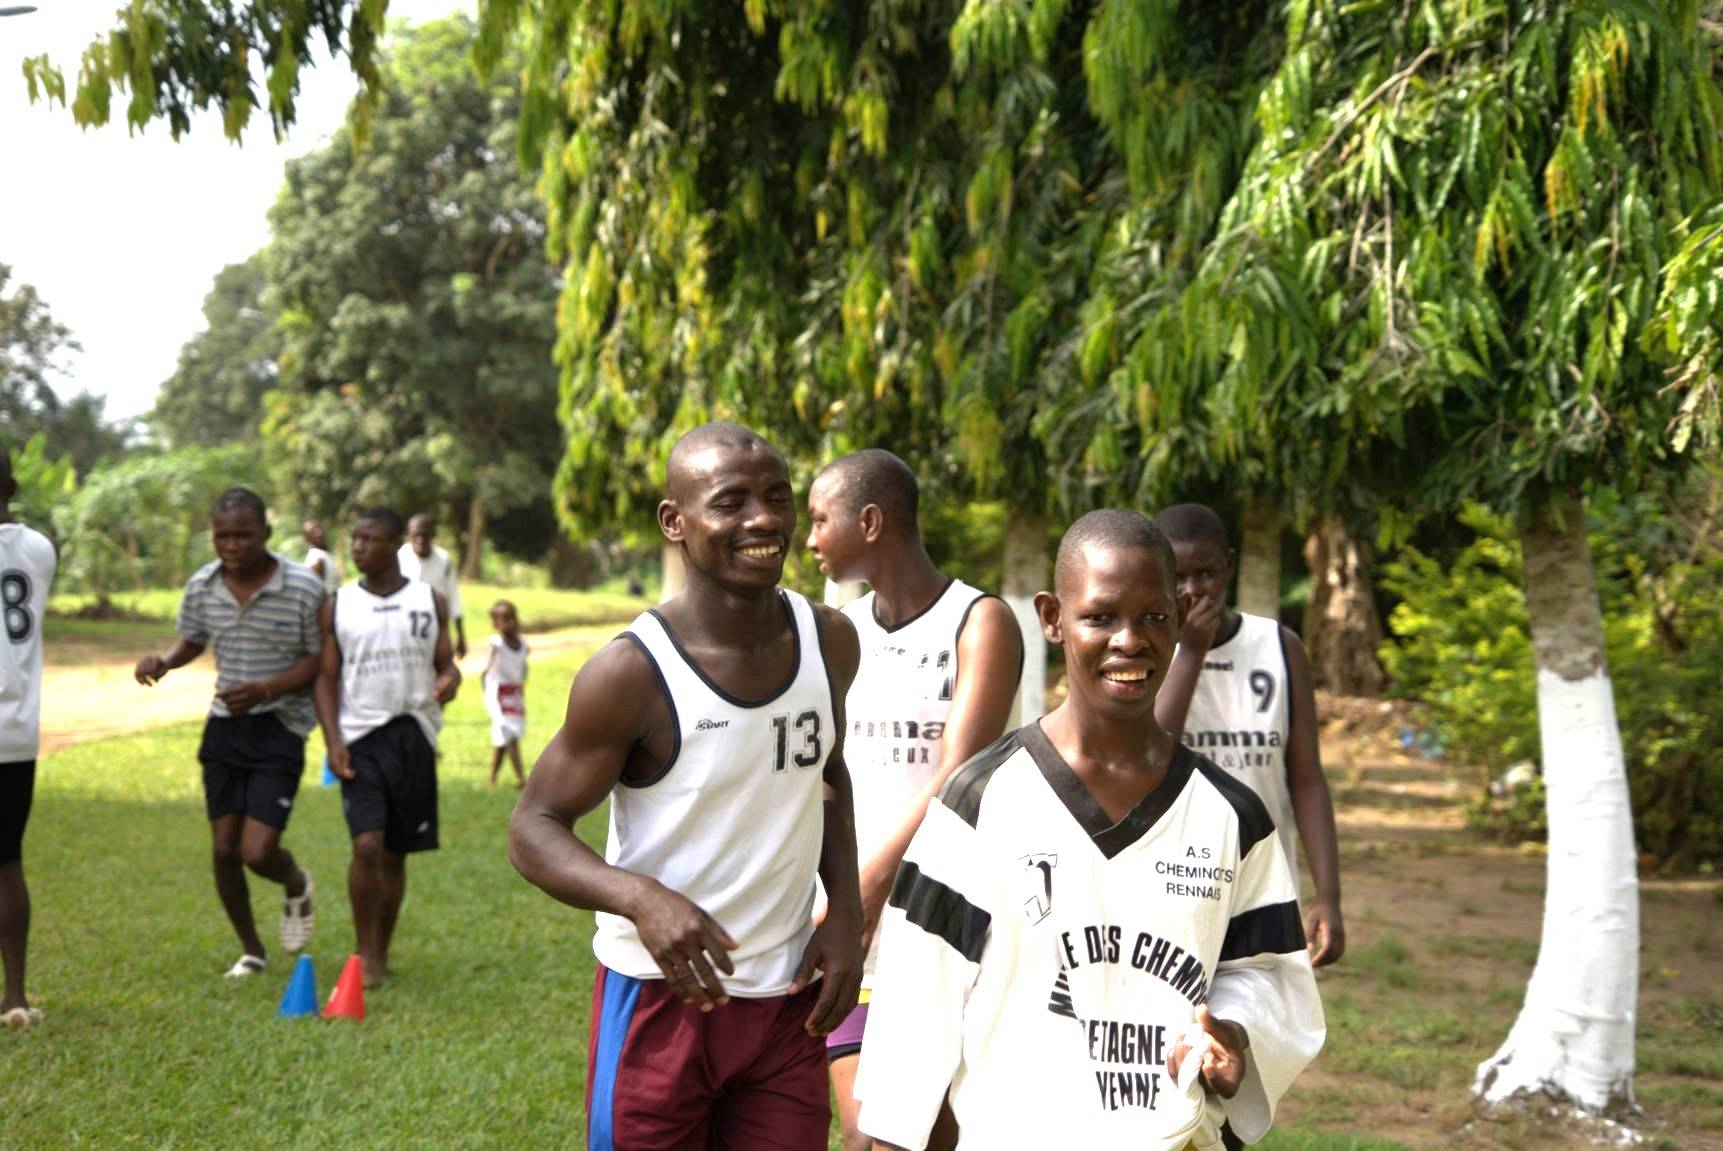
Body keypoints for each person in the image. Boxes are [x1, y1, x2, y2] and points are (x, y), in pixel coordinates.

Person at [855, 510, 1325, 1151]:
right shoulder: (983, 799)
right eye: (1100, 616)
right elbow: (920, 994)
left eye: (1155, 617)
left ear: (1181, 618)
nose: (1130, 640)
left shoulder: (1232, 816)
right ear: (1052, 618)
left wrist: (1236, 1032)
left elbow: (1266, 972)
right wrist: (893, 1137)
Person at [510, 423, 865, 1150]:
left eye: (775, 497)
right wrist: (640, 897)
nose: (762, 519)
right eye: (729, 502)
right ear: (674, 522)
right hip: (659, 996)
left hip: (784, 1000)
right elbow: (532, 826)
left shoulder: (829, 638)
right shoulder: (632, 672)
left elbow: (827, 774)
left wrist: (846, 916)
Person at [805, 449, 1022, 1150]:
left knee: (925, 1136)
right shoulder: (838, 632)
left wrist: (870, 885)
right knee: (869, 1136)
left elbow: (959, 772)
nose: (807, 539)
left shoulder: (978, 621)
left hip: (944, 923)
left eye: (818, 520)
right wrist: (839, 894)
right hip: (853, 930)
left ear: (868, 521)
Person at [134, 488, 322, 978]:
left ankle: (295, 881)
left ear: (266, 533)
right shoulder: (202, 585)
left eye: (243, 535)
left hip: (280, 727)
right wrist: (165, 662)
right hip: (225, 727)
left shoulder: (303, 587)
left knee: (256, 852)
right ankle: (251, 950)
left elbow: (318, 661)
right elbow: (193, 638)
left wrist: (265, 690)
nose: (232, 545)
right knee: (222, 849)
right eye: (222, 536)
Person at [1152, 503, 1346, 967]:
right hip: (1173, 882)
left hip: (1264, 881)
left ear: (1230, 568)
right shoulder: (1147, 649)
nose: (1193, 591)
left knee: (1258, 1028)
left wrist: (1328, 896)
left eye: (1207, 574)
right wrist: (1190, 652)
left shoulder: (1279, 646)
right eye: (1177, 578)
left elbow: (1306, 779)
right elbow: (1153, 751)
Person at [315, 506, 460, 989]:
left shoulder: (429, 600)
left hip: (414, 734)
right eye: (354, 539)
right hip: (360, 738)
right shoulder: (338, 604)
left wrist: (448, 681)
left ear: (395, 543)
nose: (358, 547)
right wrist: (333, 740)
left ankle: (383, 946)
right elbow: (327, 677)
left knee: (396, 852)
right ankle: (365, 952)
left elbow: (447, 663)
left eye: (369, 539)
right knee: (366, 844)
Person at [0, 445, 57, 1026]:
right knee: (6, 862)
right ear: (12, 487)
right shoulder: (38, 549)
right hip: (14, 732)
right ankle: (14, 996)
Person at [398, 514, 466, 659]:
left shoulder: (443, 559)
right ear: (409, 535)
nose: (420, 540)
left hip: (435, 628)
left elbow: (453, 596)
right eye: (416, 535)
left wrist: (460, 636)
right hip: (404, 628)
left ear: (433, 535)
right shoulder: (399, 557)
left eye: (425, 535)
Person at [483, 599, 529, 788]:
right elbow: (486, 669)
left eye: (512, 618)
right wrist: (486, 687)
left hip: (514, 694)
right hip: (498, 693)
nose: (510, 622)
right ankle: (521, 778)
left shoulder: (523, 644)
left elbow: (523, 667)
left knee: (503, 737)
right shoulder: (496, 644)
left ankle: (491, 778)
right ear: (496, 624)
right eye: (505, 619)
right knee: (510, 733)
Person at [301, 519, 343, 595]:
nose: (318, 533)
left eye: (319, 528)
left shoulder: (324, 554)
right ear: (306, 539)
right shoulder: (317, 558)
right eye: (312, 532)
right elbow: (313, 592)